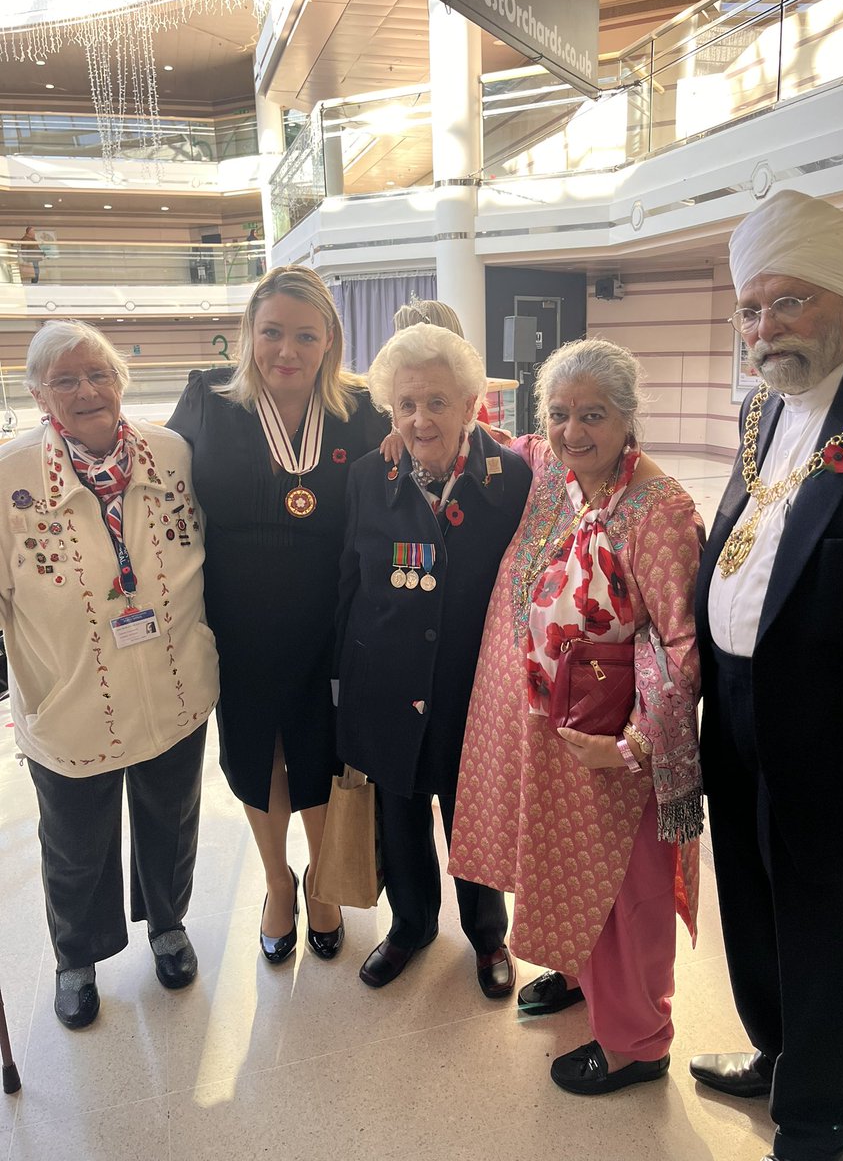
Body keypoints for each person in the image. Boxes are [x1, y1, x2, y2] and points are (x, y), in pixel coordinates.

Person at [690, 189, 843, 1161]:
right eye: (749, 309)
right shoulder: (759, 408)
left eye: (789, 304)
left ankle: (822, 1114)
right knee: (754, 898)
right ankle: (780, 1059)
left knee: (832, 927)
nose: (763, 328)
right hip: (738, 710)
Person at [449, 337, 704, 1094]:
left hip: (611, 751)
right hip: (552, 735)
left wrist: (629, 748)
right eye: (559, 415)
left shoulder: (656, 508)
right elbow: (477, 428)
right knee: (561, 870)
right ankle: (581, 978)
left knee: (627, 895)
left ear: (629, 419)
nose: (571, 432)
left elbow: (683, 646)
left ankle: (637, 1042)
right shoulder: (557, 477)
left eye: (592, 415)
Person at [0, 320, 218, 1029]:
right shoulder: (9, 477)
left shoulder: (172, 452)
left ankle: (167, 925)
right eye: (65, 380)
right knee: (75, 844)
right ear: (37, 394)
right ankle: (77, 958)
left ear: (121, 379)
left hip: (173, 683)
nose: (87, 391)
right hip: (69, 702)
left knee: (171, 819)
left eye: (99, 374)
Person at [168, 265, 387, 966]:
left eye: (304, 335)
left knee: (319, 751)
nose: (285, 350)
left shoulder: (364, 409)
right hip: (236, 619)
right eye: (271, 333)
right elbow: (154, 480)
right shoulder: (208, 398)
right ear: (248, 335)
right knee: (256, 753)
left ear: (330, 341)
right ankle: (276, 882)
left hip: (331, 620)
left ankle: (324, 882)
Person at [336, 322, 531, 993]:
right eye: (406, 404)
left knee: (472, 815)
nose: (421, 420)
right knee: (399, 814)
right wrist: (343, 682)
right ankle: (411, 926)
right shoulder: (369, 476)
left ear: (472, 405)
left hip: (473, 688)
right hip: (385, 683)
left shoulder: (512, 479)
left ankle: (487, 937)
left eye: (438, 402)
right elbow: (348, 582)